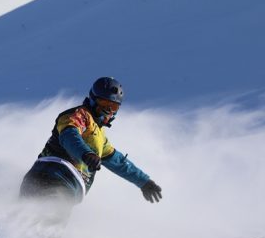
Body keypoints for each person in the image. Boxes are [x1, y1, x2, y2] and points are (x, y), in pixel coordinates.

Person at [20, 77, 162, 209]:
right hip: (57, 176)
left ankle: (10, 231)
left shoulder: (100, 137)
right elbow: (69, 135)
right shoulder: (79, 115)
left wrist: (144, 182)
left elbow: (118, 162)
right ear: (93, 99)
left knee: (36, 224)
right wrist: (86, 153)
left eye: (113, 107)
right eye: (104, 104)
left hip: (64, 184)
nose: (107, 111)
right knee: (49, 220)